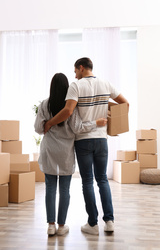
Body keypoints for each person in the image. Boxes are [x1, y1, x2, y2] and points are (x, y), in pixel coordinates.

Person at [44, 58, 129, 235]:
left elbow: (68, 111)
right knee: (103, 180)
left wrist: (50, 123)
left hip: (83, 140)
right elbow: (125, 104)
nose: (74, 74)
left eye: (75, 71)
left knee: (88, 181)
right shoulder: (106, 84)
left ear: (81, 68)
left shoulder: (76, 86)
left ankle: (93, 224)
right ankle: (109, 221)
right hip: (101, 140)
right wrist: (104, 104)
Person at [34, 73, 107, 237]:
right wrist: (96, 123)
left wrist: (46, 124)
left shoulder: (45, 105)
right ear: (67, 87)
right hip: (66, 151)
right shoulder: (71, 107)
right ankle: (61, 226)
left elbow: (39, 129)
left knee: (50, 188)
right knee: (65, 190)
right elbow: (77, 128)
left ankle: (50, 226)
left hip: (49, 150)